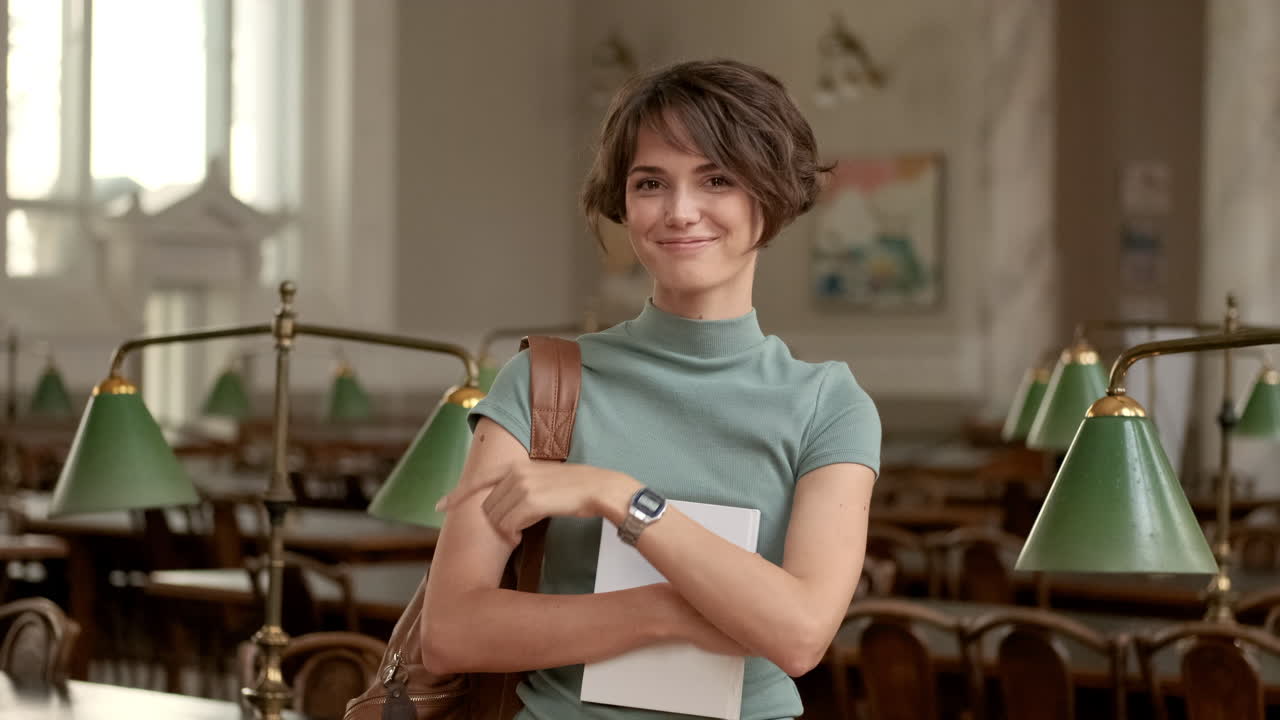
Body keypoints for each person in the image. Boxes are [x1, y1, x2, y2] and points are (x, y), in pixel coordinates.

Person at [423, 58, 880, 720]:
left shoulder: (829, 405)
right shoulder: (544, 381)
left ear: (773, 194)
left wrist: (617, 496)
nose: (680, 211)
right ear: (625, 202)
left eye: (716, 179)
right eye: (650, 183)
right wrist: (666, 609)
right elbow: (451, 632)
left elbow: (801, 634)